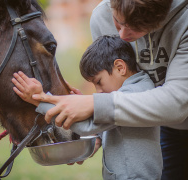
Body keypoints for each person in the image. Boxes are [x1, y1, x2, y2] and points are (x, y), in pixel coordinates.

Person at [13, 0, 188, 179]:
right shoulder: (103, 17)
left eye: (137, 28)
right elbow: (110, 111)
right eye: (119, 22)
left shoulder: (137, 91)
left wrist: (40, 100)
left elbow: (176, 102)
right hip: (161, 129)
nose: (123, 36)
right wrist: (88, 113)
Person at [12, 35, 162, 179]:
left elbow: (88, 126)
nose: (99, 91)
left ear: (120, 67)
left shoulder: (134, 95)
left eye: (99, 82)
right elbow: (113, 124)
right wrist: (84, 107)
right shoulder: (139, 86)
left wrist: (39, 101)